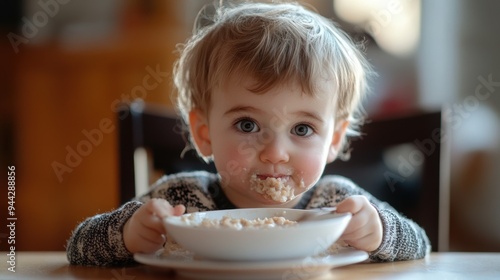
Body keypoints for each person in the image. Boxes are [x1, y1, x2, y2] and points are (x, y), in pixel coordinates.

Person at [66, 0, 430, 266]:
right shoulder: (182, 200)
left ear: (334, 139)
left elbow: (422, 246)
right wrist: (128, 233)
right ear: (203, 133)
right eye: (247, 125)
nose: (275, 153)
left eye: (302, 128)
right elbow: (79, 248)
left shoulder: (336, 206)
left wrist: (380, 231)